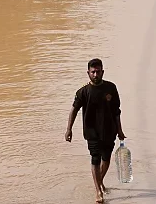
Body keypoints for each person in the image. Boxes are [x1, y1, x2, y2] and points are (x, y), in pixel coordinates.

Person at [65, 58, 125, 203]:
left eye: (98, 71)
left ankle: (99, 181)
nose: (96, 74)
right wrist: (69, 129)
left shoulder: (111, 88)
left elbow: (116, 111)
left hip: (109, 130)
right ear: (88, 73)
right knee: (95, 159)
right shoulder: (83, 92)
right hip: (92, 132)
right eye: (93, 72)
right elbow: (73, 110)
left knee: (106, 159)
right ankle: (98, 190)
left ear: (102, 72)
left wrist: (120, 130)